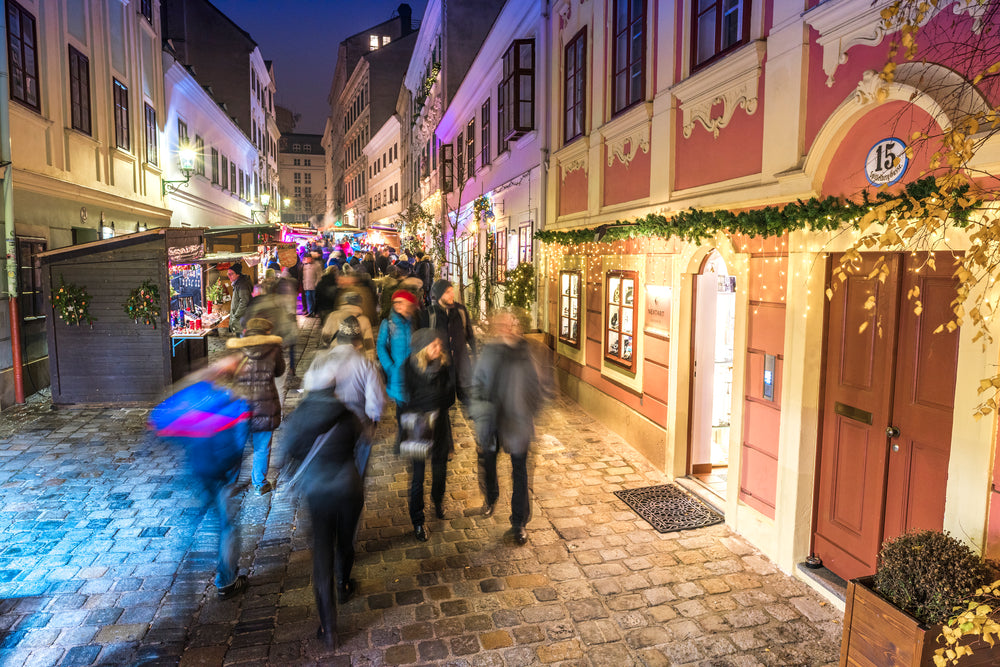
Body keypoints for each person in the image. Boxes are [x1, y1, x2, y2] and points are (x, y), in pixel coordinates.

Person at [281, 367, 363, 647]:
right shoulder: (347, 414)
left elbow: (286, 455)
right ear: (333, 389)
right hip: (349, 489)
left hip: (318, 493)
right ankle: (344, 584)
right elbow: (358, 441)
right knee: (346, 542)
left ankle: (329, 629)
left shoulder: (297, 418)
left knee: (322, 557)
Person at [469, 310, 542, 546]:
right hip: (492, 421)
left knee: (520, 471)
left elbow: (535, 386)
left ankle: (518, 522)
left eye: (510, 324)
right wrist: (480, 416)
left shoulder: (524, 352)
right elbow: (477, 384)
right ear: (496, 327)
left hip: (518, 421)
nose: (507, 328)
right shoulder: (489, 351)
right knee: (488, 462)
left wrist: (531, 412)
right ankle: (491, 496)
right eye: (502, 324)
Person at [304, 315, 386, 475]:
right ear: (358, 342)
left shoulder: (320, 360)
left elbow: (308, 392)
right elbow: (376, 406)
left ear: (339, 339)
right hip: (358, 428)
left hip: (326, 429)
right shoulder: (367, 365)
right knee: (355, 475)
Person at [402, 328, 455, 541]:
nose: (438, 348)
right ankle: (417, 521)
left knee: (440, 470)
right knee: (417, 477)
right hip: (418, 427)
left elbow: (450, 398)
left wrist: (434, 404)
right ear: (422, 349)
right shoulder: (409, 368)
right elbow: (406, 400)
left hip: (441, 425)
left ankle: (438, 499)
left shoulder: (445, 367)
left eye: (438, 344)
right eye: (433, 345)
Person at [227, 317, 286, 494]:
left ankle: (230, 483)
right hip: (265, 404)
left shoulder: (237, 348)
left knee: (237, 447)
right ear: (267, 332)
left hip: (241, 405)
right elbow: (280, 371)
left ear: (247, 331)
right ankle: (259, 483)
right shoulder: (274, 349)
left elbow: (229, 375)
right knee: (262, 446)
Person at [422, 279, 477, 405]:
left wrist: (474, 353)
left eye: (452, 291)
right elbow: (424, 341)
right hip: (441, 368)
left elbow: (469, 334)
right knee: (444, 402)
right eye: (447, 292)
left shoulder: (460, 310)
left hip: (461, 364)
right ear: (439, 294)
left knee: (469, 400)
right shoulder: (430, 314)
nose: (452, 294)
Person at [376, 290, 419, 442]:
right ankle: (404, 437)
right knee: (402, 406)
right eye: (396, 302)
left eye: (402, 302)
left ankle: (412, 437)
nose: (398, 305)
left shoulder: (415, 321)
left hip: (415, 373)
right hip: (398, 372)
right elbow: (380, 346)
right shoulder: (388, 324)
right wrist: (390, 366)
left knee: (413, 405)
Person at [321, 291, 376, 360]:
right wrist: (370, 358)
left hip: (335, 355)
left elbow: (325, 336)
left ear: (345, 302)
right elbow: (369, 343)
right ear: (359, 304)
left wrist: (330, 346)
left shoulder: (333, 316)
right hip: (355, 357)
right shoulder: (365, 320)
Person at [227, 264, 252, 336]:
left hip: (241, 319)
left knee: (242, 339)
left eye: (231, 274)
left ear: (238, 274)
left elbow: (244, 302)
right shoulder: (238, 283)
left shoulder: (242, 285)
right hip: (239, 319)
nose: (229, 276)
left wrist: (236, 316)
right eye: (228, 274)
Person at [302, 253, 322, 317]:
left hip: (314, 286)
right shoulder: (304, 265)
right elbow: (304, 276)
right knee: (309, 300)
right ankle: (311, 312)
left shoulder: (317, 265)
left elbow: (319, 276)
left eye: (308, 258)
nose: (306, 259)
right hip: (307, 286)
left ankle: (317, 312)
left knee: (315, 300)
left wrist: (316, 284)